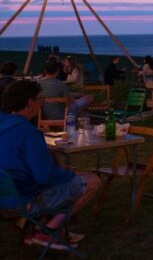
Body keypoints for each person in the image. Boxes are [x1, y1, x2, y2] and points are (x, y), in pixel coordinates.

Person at [0, 80, 100, 250]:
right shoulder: (29, 133)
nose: (43, 102)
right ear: (30, 102)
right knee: (92, 181)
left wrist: (59, 172)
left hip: (5, 195)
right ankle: (47, 231)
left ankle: (37, 230)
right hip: (21, 202)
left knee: (59, 169)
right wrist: (69, 175)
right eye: (40, 98)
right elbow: (44, 177)